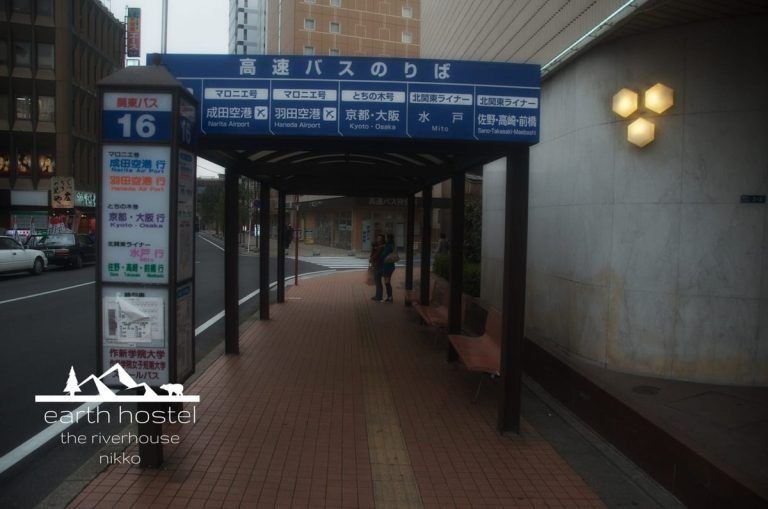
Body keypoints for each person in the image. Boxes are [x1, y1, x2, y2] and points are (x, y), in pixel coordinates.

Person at [378, 234, 397, 302]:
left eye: (386, 238)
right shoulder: (392, 244)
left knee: (387, 282)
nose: (385, 239)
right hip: (390, 266)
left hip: (387, 266)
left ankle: (389, 297)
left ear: (388, 238)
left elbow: (383, 255)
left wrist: (381, 254)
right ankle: (389, 297)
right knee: (387, 282)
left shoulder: (388, 246)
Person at [369, 234, 386, 301]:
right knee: (377, 282)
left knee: (378, 282)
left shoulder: (381, 247)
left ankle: (378, 297)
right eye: (378, 238)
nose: (378, 240)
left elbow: (376, 255)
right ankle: (378, 296)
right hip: (377, 265)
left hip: (379, 265)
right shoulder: (378, 247)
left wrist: (371, 259)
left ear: (382, 240)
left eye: (380, 238)